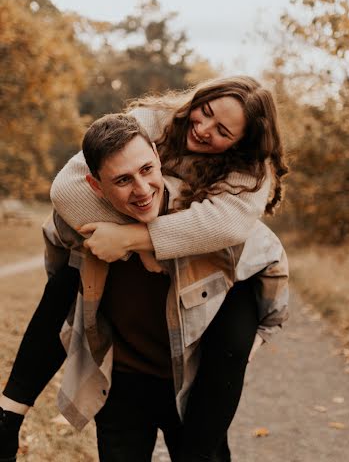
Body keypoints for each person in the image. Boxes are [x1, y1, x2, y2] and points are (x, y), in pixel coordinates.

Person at [0, 76, 289, 461]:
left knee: (229, 344)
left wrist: (142, 240)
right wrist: (128, 237)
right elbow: (66, 191)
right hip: (128, 378)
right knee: (78, 268)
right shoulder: (152, 122)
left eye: (222, 130)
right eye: (204, 113)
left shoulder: (247, 176)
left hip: (201, 354)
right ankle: (9, 414)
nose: (202, 130)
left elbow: (228, 227)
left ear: (241, 142)